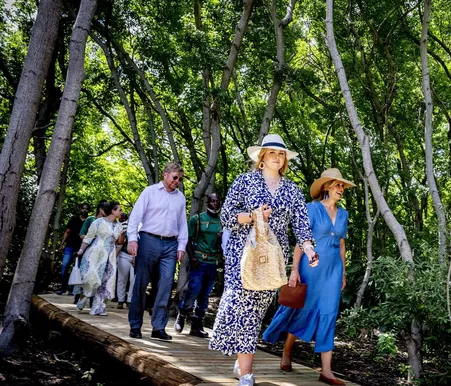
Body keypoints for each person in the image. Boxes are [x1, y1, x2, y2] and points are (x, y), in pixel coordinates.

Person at [210, 134, 316, 386]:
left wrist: (310, 250)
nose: (277, 157)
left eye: (281, 154)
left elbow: (302, 226)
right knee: (239, 306)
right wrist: (253, 216)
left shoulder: (292, 190)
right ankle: (246, 373)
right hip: (242, 255)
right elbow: (226, 216)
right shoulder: (244, 181)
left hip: (271, 260)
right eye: (272, 153)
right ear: (262, 157)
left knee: (255, 312)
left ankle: (243, 360)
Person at [263, 168, 354, 386]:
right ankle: (286, 350)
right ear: (326, 187)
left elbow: (341, 244)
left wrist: (343, 272)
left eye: (343, 186)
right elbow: (300, 242)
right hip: (310, 268)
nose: (341, 189)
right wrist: (294, 269)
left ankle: (327, 371)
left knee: (329, 313)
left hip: (332, 271)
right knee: (301, 309)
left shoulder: (344, 214)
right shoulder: (311, 209)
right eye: (337, 185)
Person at [126, 162, 188, 341]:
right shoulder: (150, 192)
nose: (177, 181)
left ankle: (158, 327)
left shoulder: (180, 198)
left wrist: (181, 246)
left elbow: (182, 224)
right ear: (165, 175)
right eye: (175, 177)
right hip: (148, 240)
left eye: (180, 179)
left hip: (170, 244)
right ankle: (135, 325)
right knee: (141, 283)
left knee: (167, 284)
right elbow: (135, 216)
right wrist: (132, 239)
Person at [174, 193, 222, 337]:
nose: (215, 203)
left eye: (217, 201)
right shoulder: (198, 219)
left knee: (205, 295)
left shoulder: (222, 221)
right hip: (199, 260)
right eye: (212, 201)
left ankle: (197, 324)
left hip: (212, 262)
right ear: (207, 202)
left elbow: (224, 242)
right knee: (194, 288)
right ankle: (183, 313)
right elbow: (187, 239)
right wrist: (193, 256)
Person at [75, 201, 124, 316]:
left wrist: (122, 234)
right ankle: (84, 297)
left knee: (106, 280)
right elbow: (88, 238)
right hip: (95, 253)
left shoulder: (119, 225)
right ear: (113, 211)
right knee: (92, 277)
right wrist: (81, 251)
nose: (121, 212)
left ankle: (98, 308)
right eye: (119, 210)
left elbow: (120, 242)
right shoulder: (98, 222)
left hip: (110, 255)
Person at [74, 200, 108, 304]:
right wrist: (94, 240)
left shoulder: (108, 223)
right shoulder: (91, 220)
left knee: (98, 276)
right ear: (100, 209)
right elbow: (82, 234)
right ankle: (79, 299)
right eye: (105, 209)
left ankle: (93, 301)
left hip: (102, 253)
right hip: (89, 250)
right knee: (85, 275)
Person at [56, 203, 89, 295]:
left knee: (77, 269)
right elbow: (67, 231)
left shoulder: (89, 221)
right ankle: (63, 287)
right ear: (80, 208)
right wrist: (61, 245)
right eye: (83, 208)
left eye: (86, 209)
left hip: (81, 248)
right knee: (64, 266)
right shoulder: (74, 219)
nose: (84, 210)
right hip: (70, 246)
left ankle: (71, 289)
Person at [116, 213, 134, 309]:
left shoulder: (142, 227)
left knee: (133, 280)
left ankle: (130, 300)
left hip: (136, 256)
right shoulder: (123, 225)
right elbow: (119, 242)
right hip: (124, 255)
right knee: (122, 279)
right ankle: (120, 300)